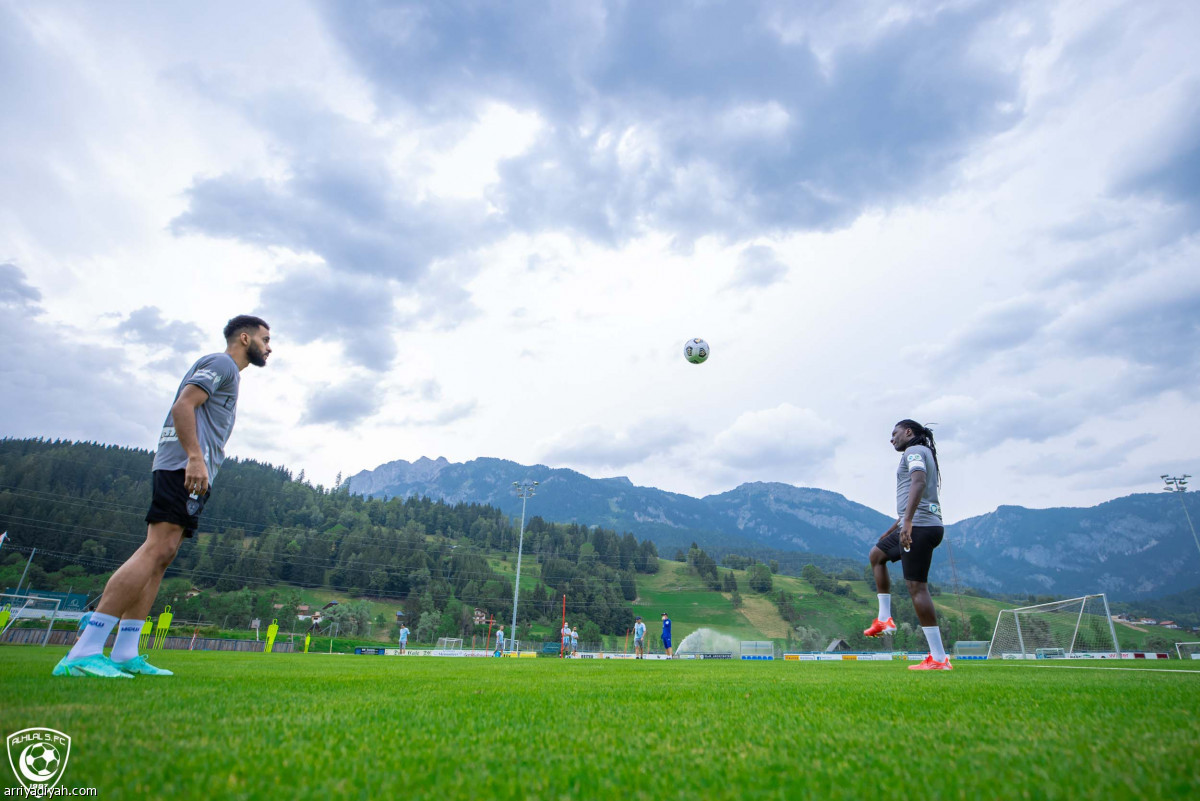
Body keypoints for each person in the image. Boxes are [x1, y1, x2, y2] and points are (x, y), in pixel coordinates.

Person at [54, 315, 271, 678]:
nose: (269, 348)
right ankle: (84, 651)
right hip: (181, 467)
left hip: (190, 470)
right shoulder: (221, 364)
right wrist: (194, 458)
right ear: (245, 338)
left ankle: (124, 652)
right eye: (265, 339)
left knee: (162, 556)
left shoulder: (229, 375)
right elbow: (182, 406)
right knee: (156, 549)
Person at [863, 419, 951, 671]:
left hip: (920, 526)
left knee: (917, 588)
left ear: (908, 432)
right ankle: (884, 619)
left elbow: (919, 482)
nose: (891, 439)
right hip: (919, 523)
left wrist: (908, 522)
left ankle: (939, 658)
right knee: (877, 554)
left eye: (895, 433)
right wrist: (896, 526)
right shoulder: (923, 452)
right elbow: (917, 495)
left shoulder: (914, 451)